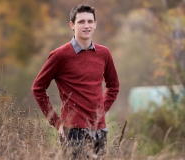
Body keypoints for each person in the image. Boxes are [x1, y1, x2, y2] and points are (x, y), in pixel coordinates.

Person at [32, 4, 119, 159]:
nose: (86, 26)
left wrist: (102, 111)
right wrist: (56, 122)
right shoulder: (60, 55)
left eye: (90, 21)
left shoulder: (104, 54)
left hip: (99, 129)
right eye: (81, 22)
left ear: (95, 24)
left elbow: (113, 86)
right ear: (72, 25)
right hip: (72, 131)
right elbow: (38, 88)